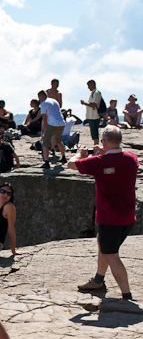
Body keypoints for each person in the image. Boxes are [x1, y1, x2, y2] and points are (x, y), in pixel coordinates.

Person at [67, 126, 139, 300]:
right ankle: (98, 280)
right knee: (103, 243)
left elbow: (70, 164)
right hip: (128, 217)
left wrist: (80, 154)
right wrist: (102, 154)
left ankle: (127, 296)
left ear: (104, 142)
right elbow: (113, 165)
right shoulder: (132, 159)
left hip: (109, 219)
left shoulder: (98, 163)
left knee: (111, 254)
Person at [38, 90, 66, 168]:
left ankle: (46, 161)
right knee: (58, 140)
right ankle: (63, 157)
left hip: (52, 123)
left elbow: (44, 118)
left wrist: (43, 131)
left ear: (42, 96)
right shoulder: (54, 100)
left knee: (45, 142)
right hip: (61, 122)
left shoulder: (43, 104)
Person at [81, 80, 102, 145]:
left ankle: (96, 146)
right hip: (92, 116)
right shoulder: (93, 93)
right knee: (93, 132)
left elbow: (94, 104)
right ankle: (96, 145)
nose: (88, 87)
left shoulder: (96, 93)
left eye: (89, 86)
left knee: (94, 132)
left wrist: (85, 103)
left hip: (94, 116)